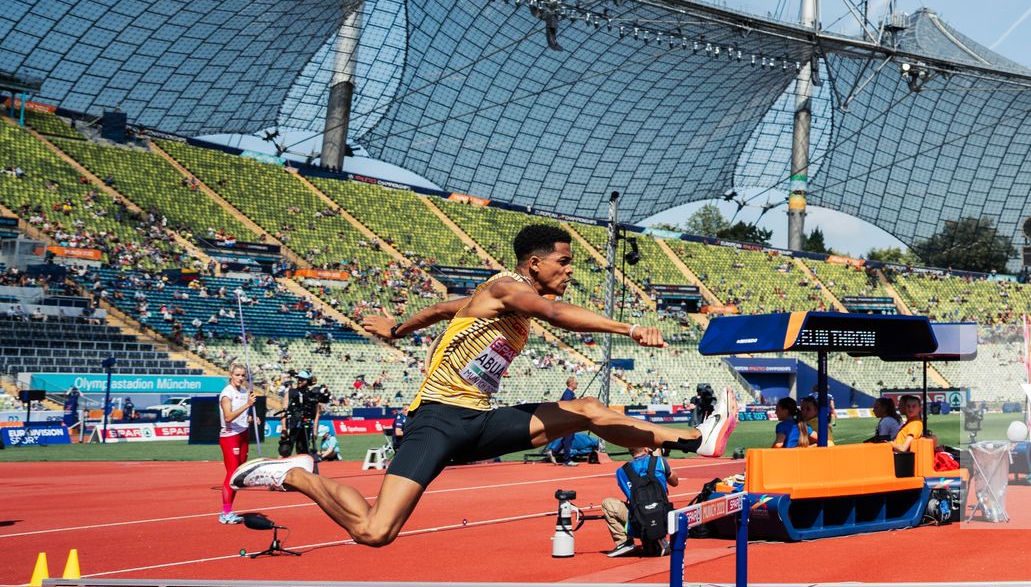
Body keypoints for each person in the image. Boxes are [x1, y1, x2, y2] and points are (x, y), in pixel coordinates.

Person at [229, 223, 738, 547]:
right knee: (375, 531)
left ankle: (695, 439)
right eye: (563, 262)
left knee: (586, 408)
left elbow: (441, 308)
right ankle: (296, 475)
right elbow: (557, 313)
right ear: (534, 263)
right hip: (438, 420)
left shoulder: (490, 297)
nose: (568, 271)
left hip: (480, 421)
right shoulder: (505, 288)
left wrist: (402, 327)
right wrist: (627, 328)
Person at [603, 447, 678, 557]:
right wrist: (658, 457)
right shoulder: (659, 461)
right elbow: (675, 482)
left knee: (608, 503)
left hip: (639, 519)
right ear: (647, 448)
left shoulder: (621, 471)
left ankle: (624, 542)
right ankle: (657, 539)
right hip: (664, 517)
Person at [217, 364, 254, 524]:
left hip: (243, 433)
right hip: (230, 435)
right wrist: (247, 405)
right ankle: (225, 512)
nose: (240, 378)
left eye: (242, 375)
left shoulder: (245, 392)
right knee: (232, 473)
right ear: (231, 375)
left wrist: (250, 417)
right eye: (237, 375)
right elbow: (228, 417)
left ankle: (229, 510)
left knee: (238, 475)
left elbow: (243, 415)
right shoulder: (227, 393)